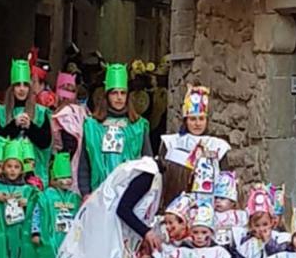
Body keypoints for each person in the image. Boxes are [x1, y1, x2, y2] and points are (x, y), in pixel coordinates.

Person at [79, 64, 152, 195]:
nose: (119, 97)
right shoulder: (92, 126)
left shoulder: (139, 126)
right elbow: (84, 162)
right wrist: (85, 193)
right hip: (98, 193)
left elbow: (148, 163)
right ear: (107, 95)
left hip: (129, 195)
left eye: (123, 93)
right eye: (114, 93)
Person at [159, 86, 230, 208]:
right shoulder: (171, 142)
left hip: (207, 205)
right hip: (175, 205)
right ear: (185, 120)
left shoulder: (218, 146)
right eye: (192, 119)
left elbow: (225, 179)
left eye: (201, 119)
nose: (197, 124)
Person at [30, 152, 82, 258]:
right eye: (62, 178)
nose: (66, 181)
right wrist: (36, 231)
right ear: (54, 179)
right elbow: (36, 214)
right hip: (50, 238)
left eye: (69, 178)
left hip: (66, 239)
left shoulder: (74, 198)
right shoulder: (45, 196)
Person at [0, 60, 53, 184]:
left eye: (25, 85)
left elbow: (45, 143)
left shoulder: (41, 112)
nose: (22, 89)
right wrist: (13, 126)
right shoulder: (0, 111)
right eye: (18, 85)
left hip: (34, 176)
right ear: (12, 88)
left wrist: (30, 127)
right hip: (7, 176)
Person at [52, 71, 88, 186]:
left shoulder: (74, 113)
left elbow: (69, 145)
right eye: (64, 89)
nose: (66, 95)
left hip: (71, 165)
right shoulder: (83, 112)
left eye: (70, 90)